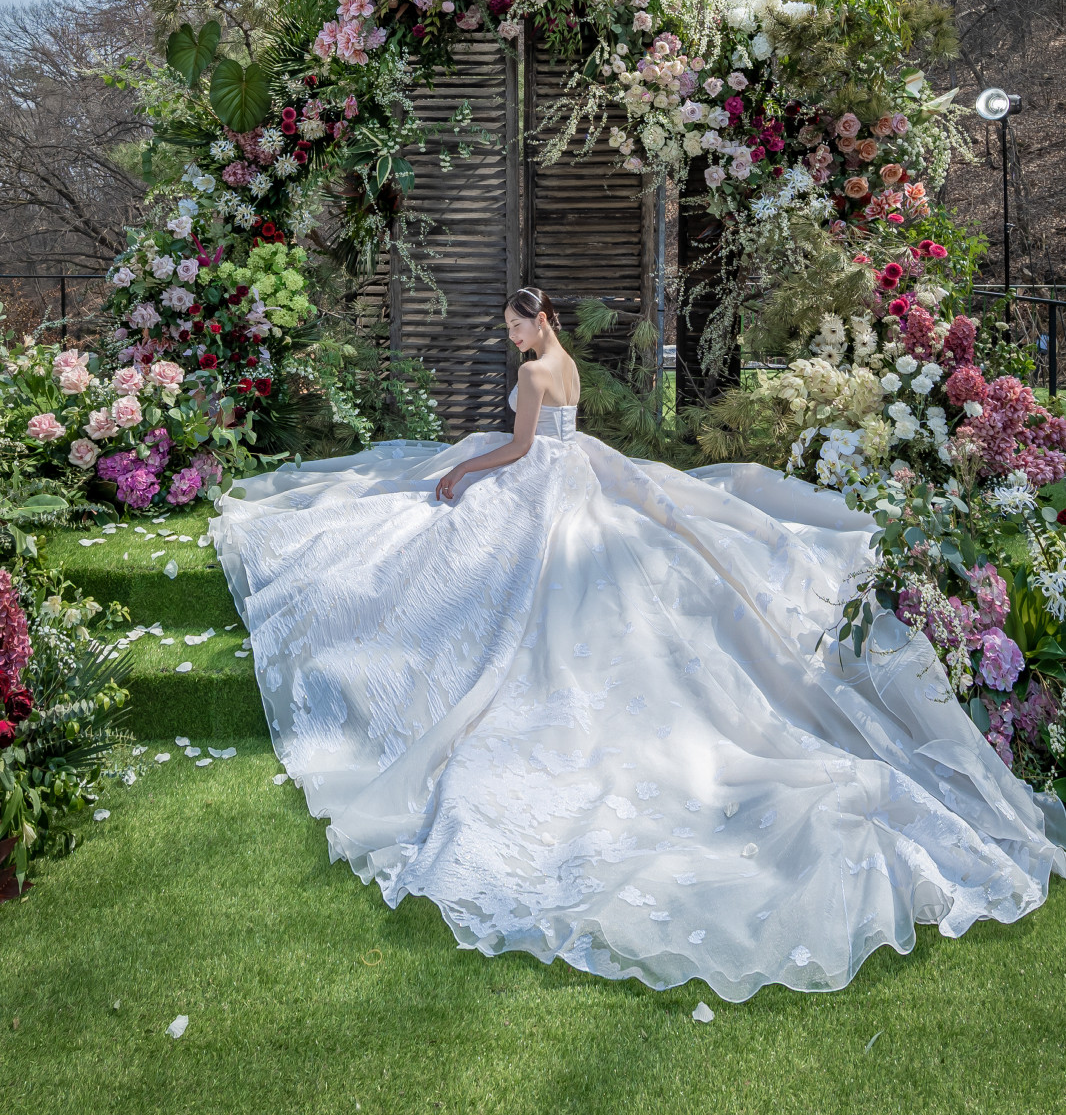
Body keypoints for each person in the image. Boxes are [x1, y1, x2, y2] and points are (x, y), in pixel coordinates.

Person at [210, 285, 1066, 1002]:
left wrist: (464, 472)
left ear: (533, 325)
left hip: (535, 480)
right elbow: (559, 435)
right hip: (578, 470)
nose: (510, 341)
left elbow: (515, 448)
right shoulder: (566, 362)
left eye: (513, 330)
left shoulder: (533, 371)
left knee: (459, 554)